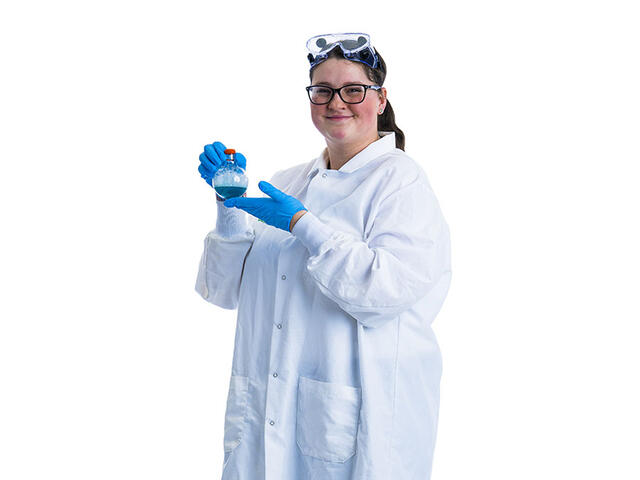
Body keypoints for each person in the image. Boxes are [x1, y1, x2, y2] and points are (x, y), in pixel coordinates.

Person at [195, 32, 452, 480]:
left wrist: (303, 225)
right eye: (322, 90)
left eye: (353, 90)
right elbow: (224, 290)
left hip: (354, 421)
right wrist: (229, 204)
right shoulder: (290, 181)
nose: (337, 102)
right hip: (265, 416)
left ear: (380, 98)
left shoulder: (400, 183)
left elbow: (384, 293)